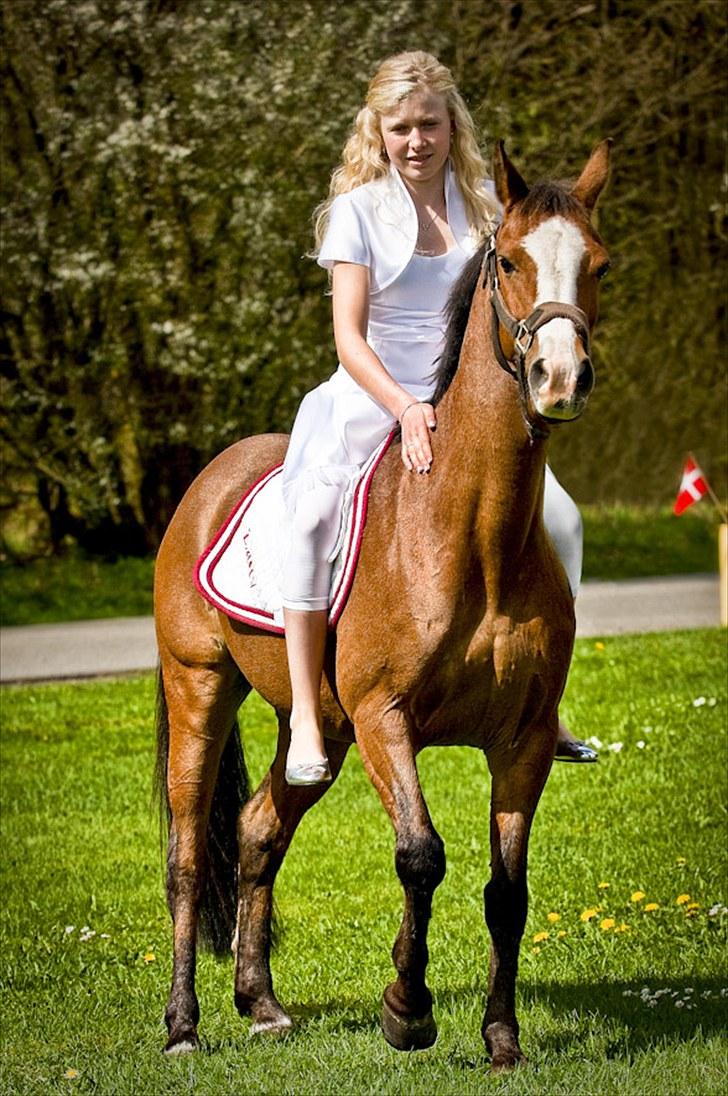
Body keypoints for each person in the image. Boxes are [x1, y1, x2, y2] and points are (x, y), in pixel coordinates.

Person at [281, 51, 596, 785]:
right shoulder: (357, 213)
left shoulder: (487, 204)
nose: (416, 140)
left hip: (466, 401)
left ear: (453, 126)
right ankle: (303, 711)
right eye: (400, 127)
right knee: (308, 521)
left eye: (430, 123)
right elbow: (348, 337)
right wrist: (404, 406)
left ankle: (545, 704)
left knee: (568, 521)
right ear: (378, 131)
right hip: (371, 395)